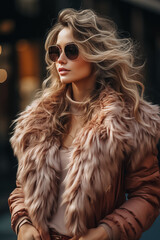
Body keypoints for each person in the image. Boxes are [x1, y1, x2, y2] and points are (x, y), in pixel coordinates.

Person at [8, 8, 160, 240]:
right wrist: (23, 223)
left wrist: (106, 231)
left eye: (71, 50)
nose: (60, 59)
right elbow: (22, 189)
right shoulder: (37, 121)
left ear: (95, 53)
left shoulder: (128, 121)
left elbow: (148, 194)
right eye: (55, 51)